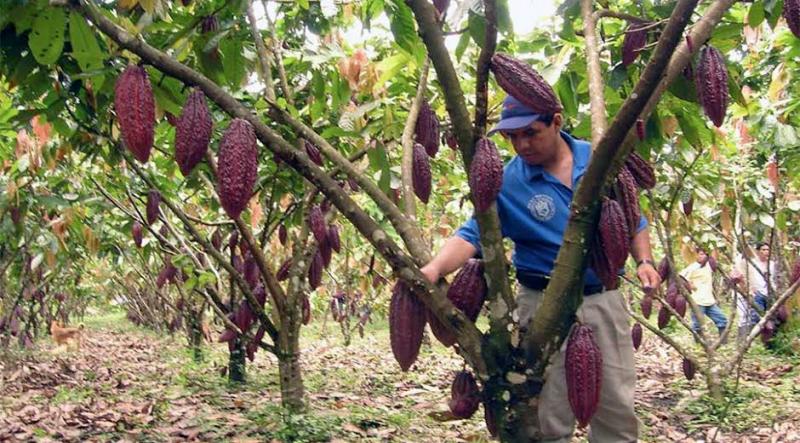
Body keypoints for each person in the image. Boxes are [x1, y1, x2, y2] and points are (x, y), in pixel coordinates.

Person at [420, 95, 661, 442]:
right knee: (549, 412)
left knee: (615, 409)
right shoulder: (507, 181)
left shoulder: (599, 160)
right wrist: (434, 268)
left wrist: (645, 262)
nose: (522, 144)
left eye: (530, 133)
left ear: (557, 122)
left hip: (600, 299)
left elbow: (633, 220)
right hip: (539, 304)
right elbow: (473, 234)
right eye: (512, 137)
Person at [732, 242, 778, 342]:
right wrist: (749, 289)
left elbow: (774, 279)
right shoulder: (752, 263)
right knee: (757, 317)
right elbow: (744, 275)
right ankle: (744, 340)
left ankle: (767, 341)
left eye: (767, 250)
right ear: (758, 251)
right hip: (757, 293)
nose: (766, 252)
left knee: (771, 317)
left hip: (769, 293)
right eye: (763, 250)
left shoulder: (772, 264)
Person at [678, 247, 728, 339]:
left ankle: (724, 342)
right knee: (697, 325)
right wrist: (690, 285)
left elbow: (714, 257)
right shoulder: (693, 267)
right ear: (696, 255)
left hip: (709, 301)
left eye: (704, 254)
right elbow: (681, 278)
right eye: (700, 254)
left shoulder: (708, 265)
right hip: (697, 301)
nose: (701, 256)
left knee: (722, 320)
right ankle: (699, 344)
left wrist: (713, 244)